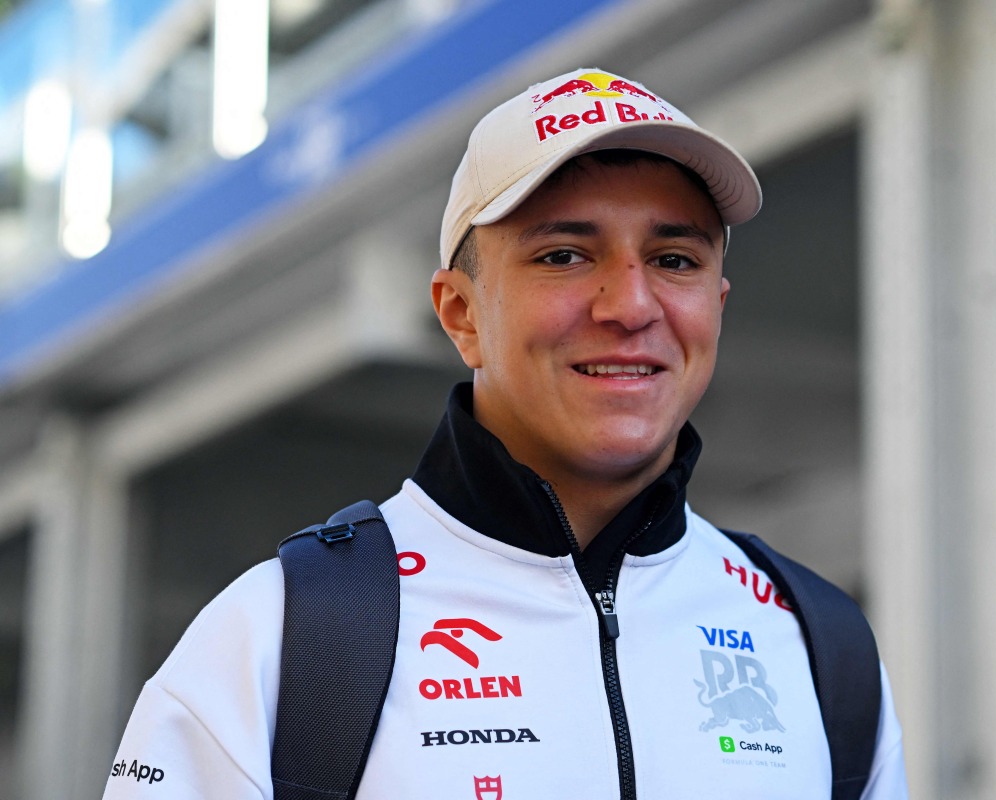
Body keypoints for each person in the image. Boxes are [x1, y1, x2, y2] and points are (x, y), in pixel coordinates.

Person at [103, 68, 908, 799]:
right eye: (563, 255)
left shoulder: (817, 640)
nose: (630, 305)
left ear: (717, 307)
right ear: (460, 315)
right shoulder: (280, 636)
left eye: (674, 259)